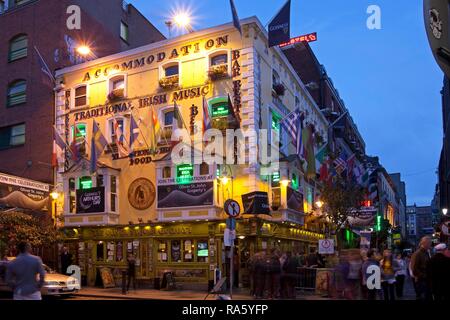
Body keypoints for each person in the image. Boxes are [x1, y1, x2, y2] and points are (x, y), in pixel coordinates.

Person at [411, 236, 432, 300]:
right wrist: (423, 276)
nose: (430, 244)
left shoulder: (427, 252)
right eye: (429, 243)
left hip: (427, 280)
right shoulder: (417, 254)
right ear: (424, 243)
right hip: (421, 281)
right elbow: (414, 268)